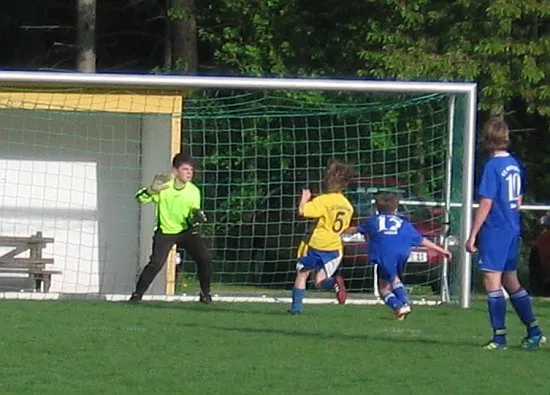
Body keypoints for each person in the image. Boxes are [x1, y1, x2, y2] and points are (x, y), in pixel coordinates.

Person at [466, 117, 545, 350]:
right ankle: (534, 331)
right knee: (511, 280)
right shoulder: (513, 164)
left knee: (492, 279)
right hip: (512, 226)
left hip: (497, 228)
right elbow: (518, 198)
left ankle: (499, 337)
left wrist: (473, 233)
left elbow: (487, 202)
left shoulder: (492, 166)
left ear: (487, 140)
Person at [129, 153, 213, 304]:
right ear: (175, 170)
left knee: (204, 258)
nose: (189, 173)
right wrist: (151, 190)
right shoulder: (164, 187)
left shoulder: (194, 191)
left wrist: (196, 217)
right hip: (165, 232)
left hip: (186, 231)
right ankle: (137, 295)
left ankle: (205, 294)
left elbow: (192, 214)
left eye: (191, 170)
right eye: (185, 169)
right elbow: (139, 198)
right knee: (156, 263)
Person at [353, 192, 452, 320]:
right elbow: (420, 240)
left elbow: (357, 230)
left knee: (383, 289)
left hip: (385, 254)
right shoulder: (403, 223)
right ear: (396, 208)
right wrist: (441, 250)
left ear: (377, 208)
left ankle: (400, 305)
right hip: (403, 254)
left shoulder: (373, 221)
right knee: (394, 279)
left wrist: (340, 231)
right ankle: (404, 305)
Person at [288, 159, 355, 315]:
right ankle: (334, 284)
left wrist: (305, 198)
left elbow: (303, 212)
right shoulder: (347, 205)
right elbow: (344, 228)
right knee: (320, 281)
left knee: (302, 273)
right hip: (334, 248)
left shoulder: (324, 200)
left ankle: (296, 309)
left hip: (317, 244)